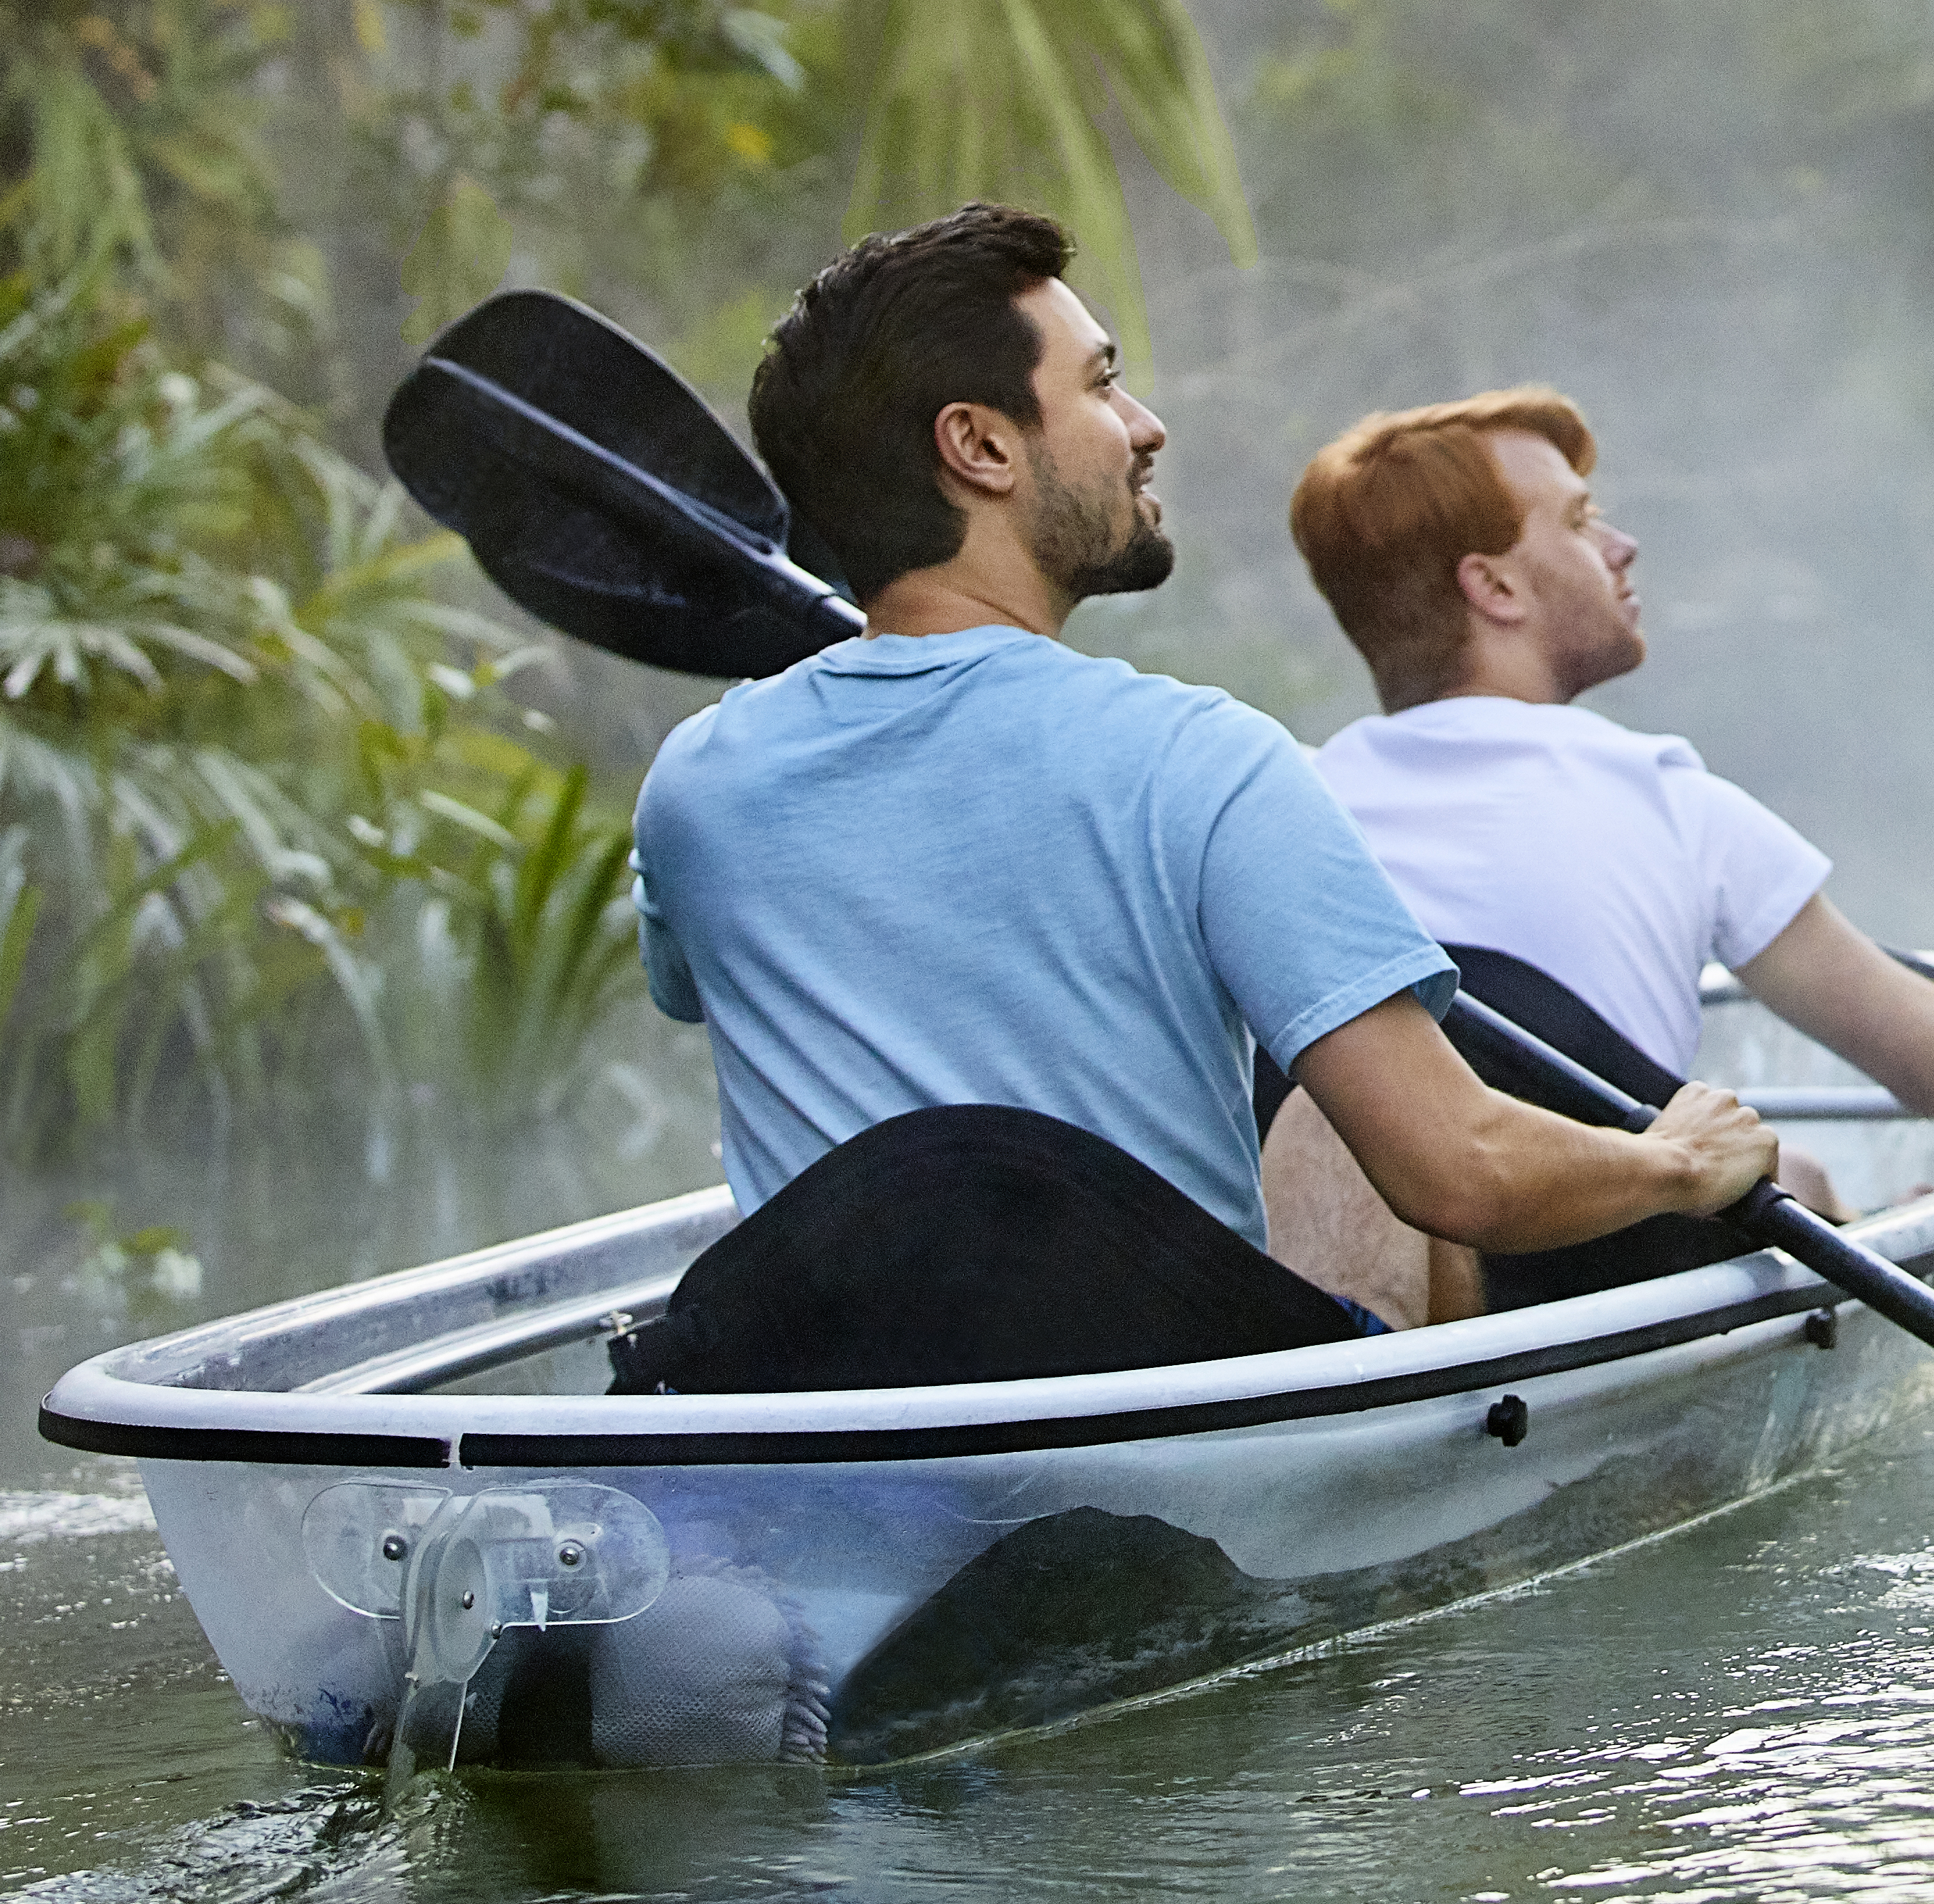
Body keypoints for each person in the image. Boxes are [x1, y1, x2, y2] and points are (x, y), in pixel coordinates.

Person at [622, 210, 1776, 1392]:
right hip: (1169, 1425)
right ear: (980, 446)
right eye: (1103, 384)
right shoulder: (1204, 763)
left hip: (823, 1427)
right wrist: (1678, 1163)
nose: (1145, 426)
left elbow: (691, 986)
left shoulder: (697, 787)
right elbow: (1459, 1173)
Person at [1262, 387, 1934, 1322]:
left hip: (1361, 1283)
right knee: (1784, 1170)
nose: (1622, 546)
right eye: (1582, 522)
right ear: (1495, 587)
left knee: (1797, 1168)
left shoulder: (1288, 801)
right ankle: (1848, 1213)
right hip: (1578, 1279)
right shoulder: (1670, 799)